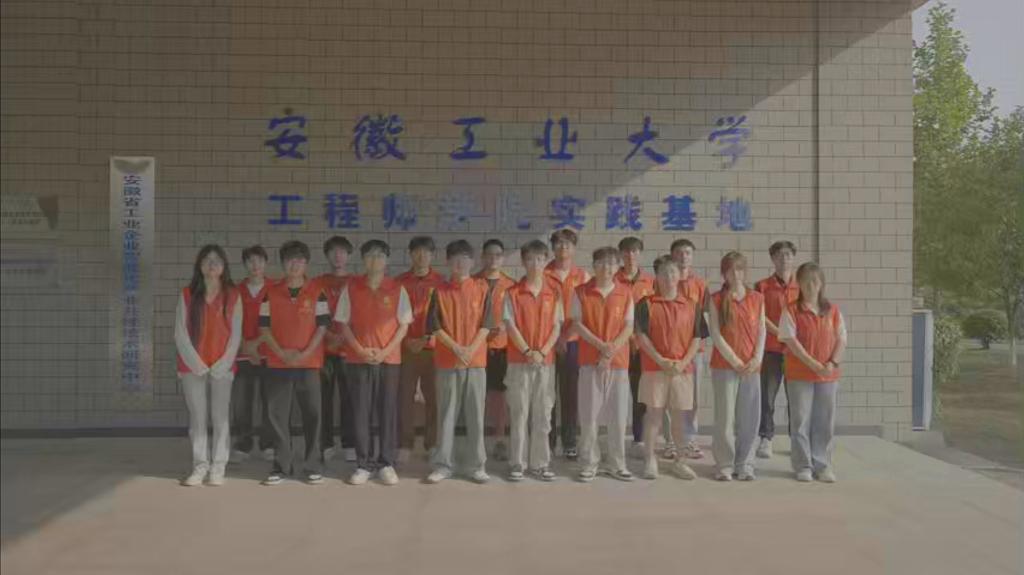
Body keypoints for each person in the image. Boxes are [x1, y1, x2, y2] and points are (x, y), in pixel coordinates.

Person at [335, 240, 412, 486]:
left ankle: (386, 463)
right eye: (369, 255)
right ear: (363, 260)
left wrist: (385, 351)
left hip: (389, 360)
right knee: (361, 412)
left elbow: (403, 325)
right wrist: (359, 349)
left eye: (379, 255)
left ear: (386, 260)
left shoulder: (397, 288)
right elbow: (343, 323)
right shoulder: (352, 287)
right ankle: (363, 464)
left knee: (387, 411)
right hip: (358, 359)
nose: (374, 260)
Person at [259, 241, 330, 486]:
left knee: (313, 414)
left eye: (300, 260)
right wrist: (281, 353)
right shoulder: (270, 293)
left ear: (306, 264)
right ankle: (281, 465)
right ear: (283, 263)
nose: (295, 264)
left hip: (309, 364)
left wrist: (304, 353)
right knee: (277, 415)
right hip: (278, 364)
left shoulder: (317, 291)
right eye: (290, 259)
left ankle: (313, 465)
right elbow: (264, 328)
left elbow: (322, 327)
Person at [424, 240, 494, 484]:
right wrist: (456, 348)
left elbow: (487, 324)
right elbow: (434, 326)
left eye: (465, 258)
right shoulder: (439, 291)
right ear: (448, 262)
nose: (460, 263)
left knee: (476, 416)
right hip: (448, 362)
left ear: (472, 262)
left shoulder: (482, 288)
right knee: (446, 416)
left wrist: (470, 350)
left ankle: (477, 465)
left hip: (476, 363)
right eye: (455, 258)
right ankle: (443, 465)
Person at [175, 245, 242, 486]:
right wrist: (197, 363)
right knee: (198, 418)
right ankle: (200, 466)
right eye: (207, 259)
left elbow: (236, 334)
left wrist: (223, 363)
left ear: (224, 267)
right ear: (200, 265)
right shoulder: (187, 294)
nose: (212, 264)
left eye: (217, 260)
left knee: (220, 417)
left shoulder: (233, 295)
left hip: (223, 366)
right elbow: (180, 333)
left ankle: (218, 467)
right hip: (192, 366)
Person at [779, 262, 847, 483]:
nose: (811, 286)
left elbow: (842, 339)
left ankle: (823, 465)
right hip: (800, 375)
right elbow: (791, 341)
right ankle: (803, 465)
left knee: (824, 421)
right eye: (806, 281)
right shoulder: (791, 310)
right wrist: (813, 364)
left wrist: (832, 363)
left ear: (822, 284)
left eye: (815, 281)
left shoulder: (833, 311)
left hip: (828, 375)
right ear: (799, 284)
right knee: (800, 421)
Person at [571, 247, 635, 482]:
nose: (606, 268)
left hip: (618, 362)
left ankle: (617, 464)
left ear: (617, 267)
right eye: (601, 263)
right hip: (590, 360)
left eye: (611, 263)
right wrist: (600, 346)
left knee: (618, 416)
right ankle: (589, 463)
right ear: (594, 265)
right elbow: (577, 324)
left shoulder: (625, 292)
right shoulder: (580, 292)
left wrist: (610, 350)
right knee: (590, 415)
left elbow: (628, 326)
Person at [635, 255, 701, 481]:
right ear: (657, 277)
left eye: (673, 272)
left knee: (679, 418)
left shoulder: (691, 305)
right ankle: (650, 459)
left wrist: (683, 362)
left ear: (680, 275)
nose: (669, 277)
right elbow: (642, 336)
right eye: (664, 273)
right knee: (653, 415)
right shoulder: (646, 304)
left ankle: (680, 461)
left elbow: (697, 338)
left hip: (682, 370)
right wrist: (660, 360)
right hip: (655, 368)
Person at [502, 240, 563, 482]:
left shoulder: (553, 292)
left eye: (540, 259)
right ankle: (518, 463)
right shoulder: (512, 293)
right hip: (519, 361)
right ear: (523, 262)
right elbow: (510, 325)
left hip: (545, 363)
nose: (535, 264)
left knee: (543, 414)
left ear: (545, 261)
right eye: (530, 259)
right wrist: (528, 351)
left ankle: (540, 463)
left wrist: (543, 352)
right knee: (519, 413)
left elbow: (556, 327)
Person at [707, 251, 765, 481]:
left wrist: (756, 358)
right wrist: (736, 361)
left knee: (749, 418)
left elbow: (762, 330)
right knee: (725, 418)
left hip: (751, 367)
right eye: (731, 270)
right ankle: (724, 464)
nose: (736, 274)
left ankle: (745, 463)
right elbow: (715, 334)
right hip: (725, 366)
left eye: (740, 269)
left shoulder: (757, 298)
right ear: (724, 273)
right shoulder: (716, 299)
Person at [396, 236, 445, 461]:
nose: (421, 256)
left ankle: (432, 443)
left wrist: (427, 339)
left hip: (433, 348)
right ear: (410, 254)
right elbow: (392, 317)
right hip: (405, 347)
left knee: (433, 399)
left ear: (432, 255)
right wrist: (406, 340)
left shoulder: (441, 283)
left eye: (426, 251)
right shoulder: (399, 282)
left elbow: (445, 318)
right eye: (417, 251)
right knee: (404, 398)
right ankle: (405, 444)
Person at [545, 228, 591, 460]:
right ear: (553, 248)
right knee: (547, 395)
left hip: (573, 341)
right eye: (559, 244)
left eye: (568, 244)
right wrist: (553, 338)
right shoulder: (543, 273)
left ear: (574, 249)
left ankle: (570, 442)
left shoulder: (583, 276)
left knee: (571, 394)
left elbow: (586, 312)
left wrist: (566, 335)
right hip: (547, 343)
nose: (563, 248)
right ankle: (548, 442)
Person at [754, 240, 799, 459]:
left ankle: (796, 439)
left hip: (795, 352)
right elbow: (758, 315)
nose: (784, 259)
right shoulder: (762, 286)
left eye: (788, 255)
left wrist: (791, 339)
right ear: (772, 258)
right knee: (767, 397)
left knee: (796, 398)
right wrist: (781, 333)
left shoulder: (802, 286)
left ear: (793, 258)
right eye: (780, 255)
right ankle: (766, 438)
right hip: (771, 350)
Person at [230, 245, 275, 463]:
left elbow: (280, 323)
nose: (255, 265)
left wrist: (257, 345)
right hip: (242, 354)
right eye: (250, 261)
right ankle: (243, 445)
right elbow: (229, 323)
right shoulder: (235, 291)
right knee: (242, 403)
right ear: (245, 264)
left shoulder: (276, 289)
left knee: (270, 403)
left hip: (270, 354)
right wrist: (246, 347)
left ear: (266, 263)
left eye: (259, 260)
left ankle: (269, 444)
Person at [614, 236, 656, 459]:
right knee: (617, 394)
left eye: (635, 251)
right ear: (621, 254)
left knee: (641, 395)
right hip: (618, 346)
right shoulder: (612, 279)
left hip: (642, 348)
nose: (630, 256)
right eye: (626, 251)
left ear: (640, 253)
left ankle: (639, 438)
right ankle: (616, 439)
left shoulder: (650, 281)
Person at [475, 239, 516, 463]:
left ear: (503, 258)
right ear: (483, 257)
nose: (493, 259)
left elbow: (517, 317)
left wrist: (503, 327)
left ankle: (499, 439)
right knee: (476, 396)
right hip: (476, 348)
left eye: (498, 255)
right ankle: (477, 441)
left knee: (500, 397)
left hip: (501, 348)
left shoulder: (511, 285)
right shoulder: (472, 282)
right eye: (489, 254)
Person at [317, 235, 357, 463]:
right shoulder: (317, 283)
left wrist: (342, 337)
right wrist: (328, 336)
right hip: (322, 351)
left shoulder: (356, 283)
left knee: (349, 400)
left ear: (349, 255)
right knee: (323, 400)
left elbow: (360, 316)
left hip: (348, 351)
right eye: (333, 251)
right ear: (327, 255)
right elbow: (312, 315)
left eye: (342, 251)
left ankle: (349, 443)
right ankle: (326, 443)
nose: (337, 256)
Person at [669, 238, 708, 461]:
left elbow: (705, 318)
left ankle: (690, 439)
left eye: (688, 253)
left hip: (695, 351)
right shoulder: (664, 282)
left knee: (693, 398)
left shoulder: (700, 285)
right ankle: (671, 441)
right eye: (679, 252)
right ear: (672, 256)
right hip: (670, 351)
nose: (684, 256)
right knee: (669, 397)